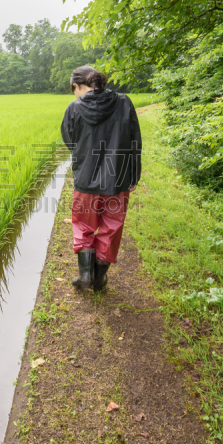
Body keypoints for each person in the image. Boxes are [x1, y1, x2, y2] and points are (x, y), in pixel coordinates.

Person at [60, 66, 142, 291]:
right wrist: (133, 175)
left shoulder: (74, 108)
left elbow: (70, 143)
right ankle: (99, 279)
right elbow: (135, 141)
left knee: (84, 226)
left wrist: (86, 158)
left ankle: (85, 277)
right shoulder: (124, 102)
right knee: (111, 226)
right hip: (118, 178)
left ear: (77, 86)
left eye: (73, 90)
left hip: (86, 180)